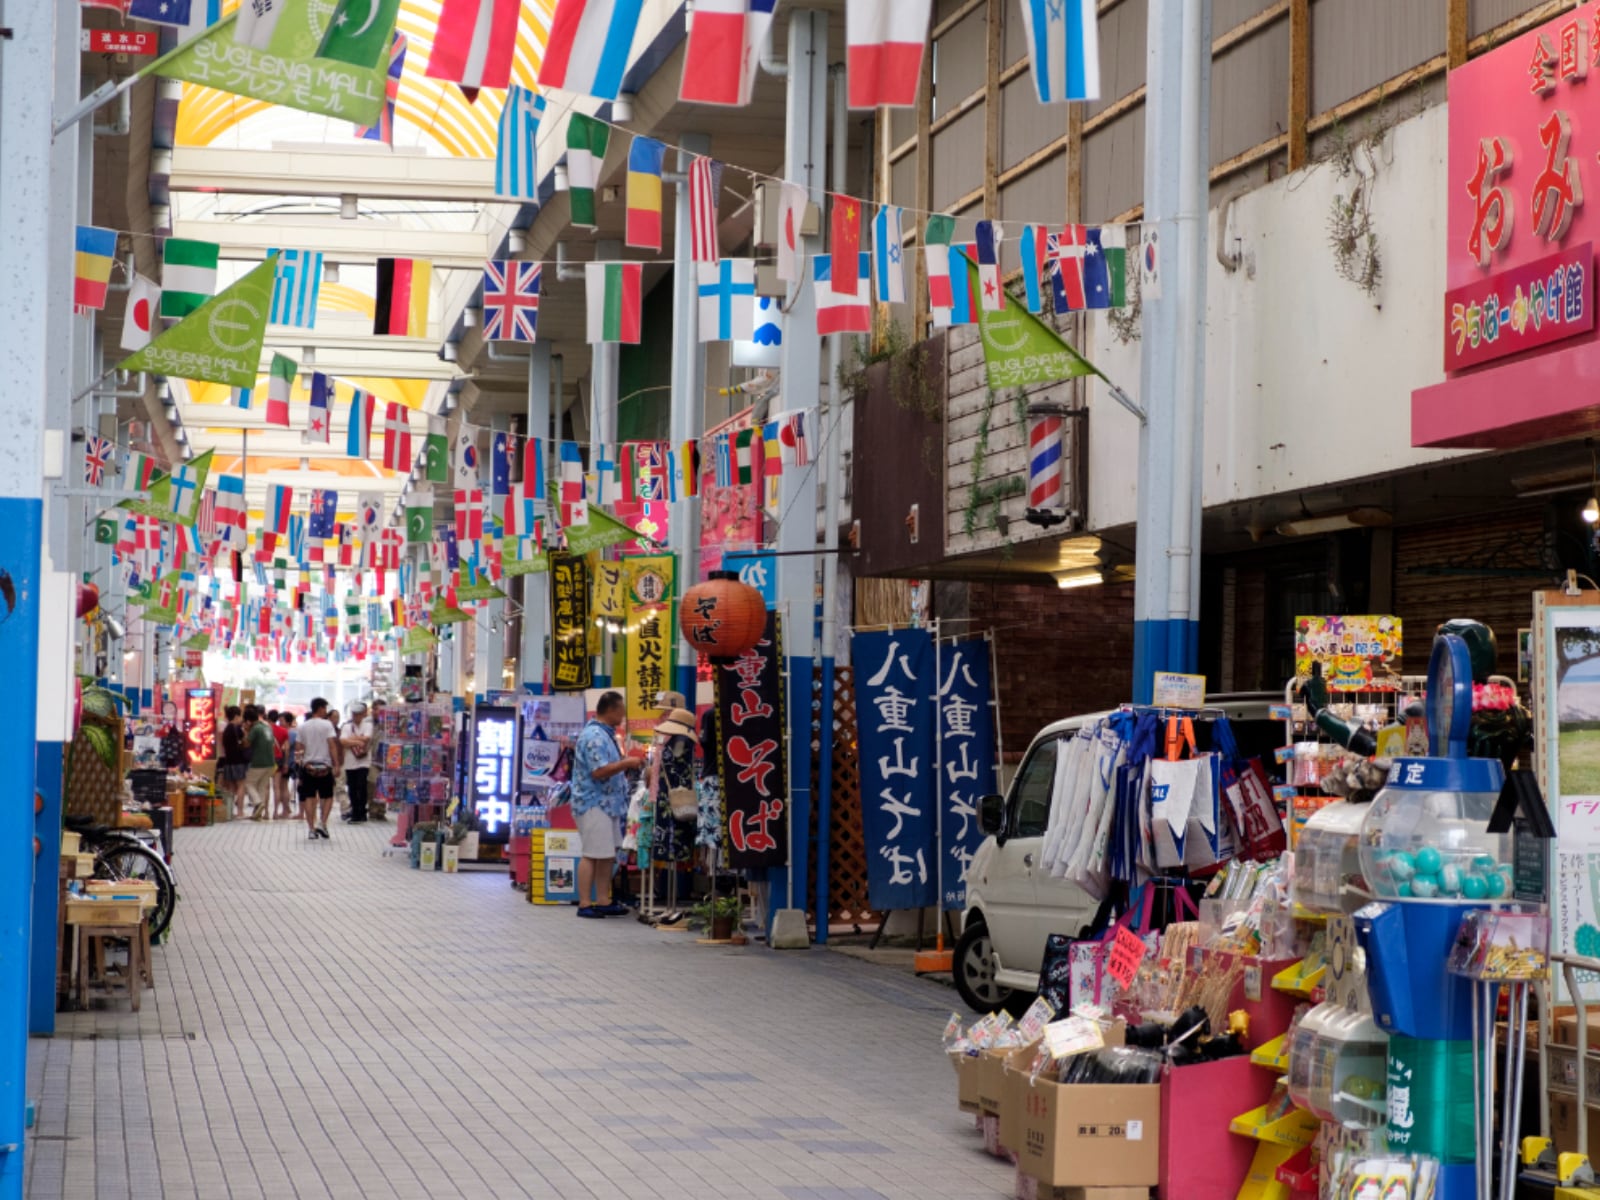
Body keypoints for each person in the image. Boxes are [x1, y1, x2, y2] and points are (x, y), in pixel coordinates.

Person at [570, 691, 646, 918]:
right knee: (592, 853)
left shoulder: (606, 734)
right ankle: (585, 903)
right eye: (621, 711)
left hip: (608, 804)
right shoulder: (595, 735)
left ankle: (603, 899)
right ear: (611, 710)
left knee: (606, 854)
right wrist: (627, 763)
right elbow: (598, 771)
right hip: (594, 803)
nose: (623, 716)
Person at [297, 698, 340, 840]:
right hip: (325, 766)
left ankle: (311, 829)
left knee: (309, 797)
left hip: (308, 766)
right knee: (327, 796)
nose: (326, 711)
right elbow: (332, 745)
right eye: (325, 708)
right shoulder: (327, 725)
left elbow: (299, 748)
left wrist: (301, 764)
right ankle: (322, 822)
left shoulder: (303, 726)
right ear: (320, 708)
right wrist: (337, 764)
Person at [339, 702, 374, 824]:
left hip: (364, 761)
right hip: (350, 762)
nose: (356, 717)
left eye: (358, 714)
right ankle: (355, 811)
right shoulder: (346, 727)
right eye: (354, 714)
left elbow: (367, 738)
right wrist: (358, 741)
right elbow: (342, 741)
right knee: (352, 788)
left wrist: (351, 740)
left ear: (362, 714)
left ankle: (361, 811)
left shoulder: (368, 725)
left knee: (362, 786)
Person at [242, 705, 278, 821]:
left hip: (259, 761)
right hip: (270, 762)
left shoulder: (255, 728)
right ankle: (258, 813)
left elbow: (246, 744)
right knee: (262, 786)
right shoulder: (267, 727)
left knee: (249, 783)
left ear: (248, 721)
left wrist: (246, 731)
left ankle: (258, 803)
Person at [218, 706, 249, 813]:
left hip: (228, 761)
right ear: (236, 716)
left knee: (231, 787)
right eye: (240, 716)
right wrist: (245, 733)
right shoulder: (236, 729)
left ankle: (229, 811)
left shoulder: (226, 729)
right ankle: (240, 811)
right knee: (241, 785)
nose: (241, 718)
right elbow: (244, 742)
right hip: (238, 761)